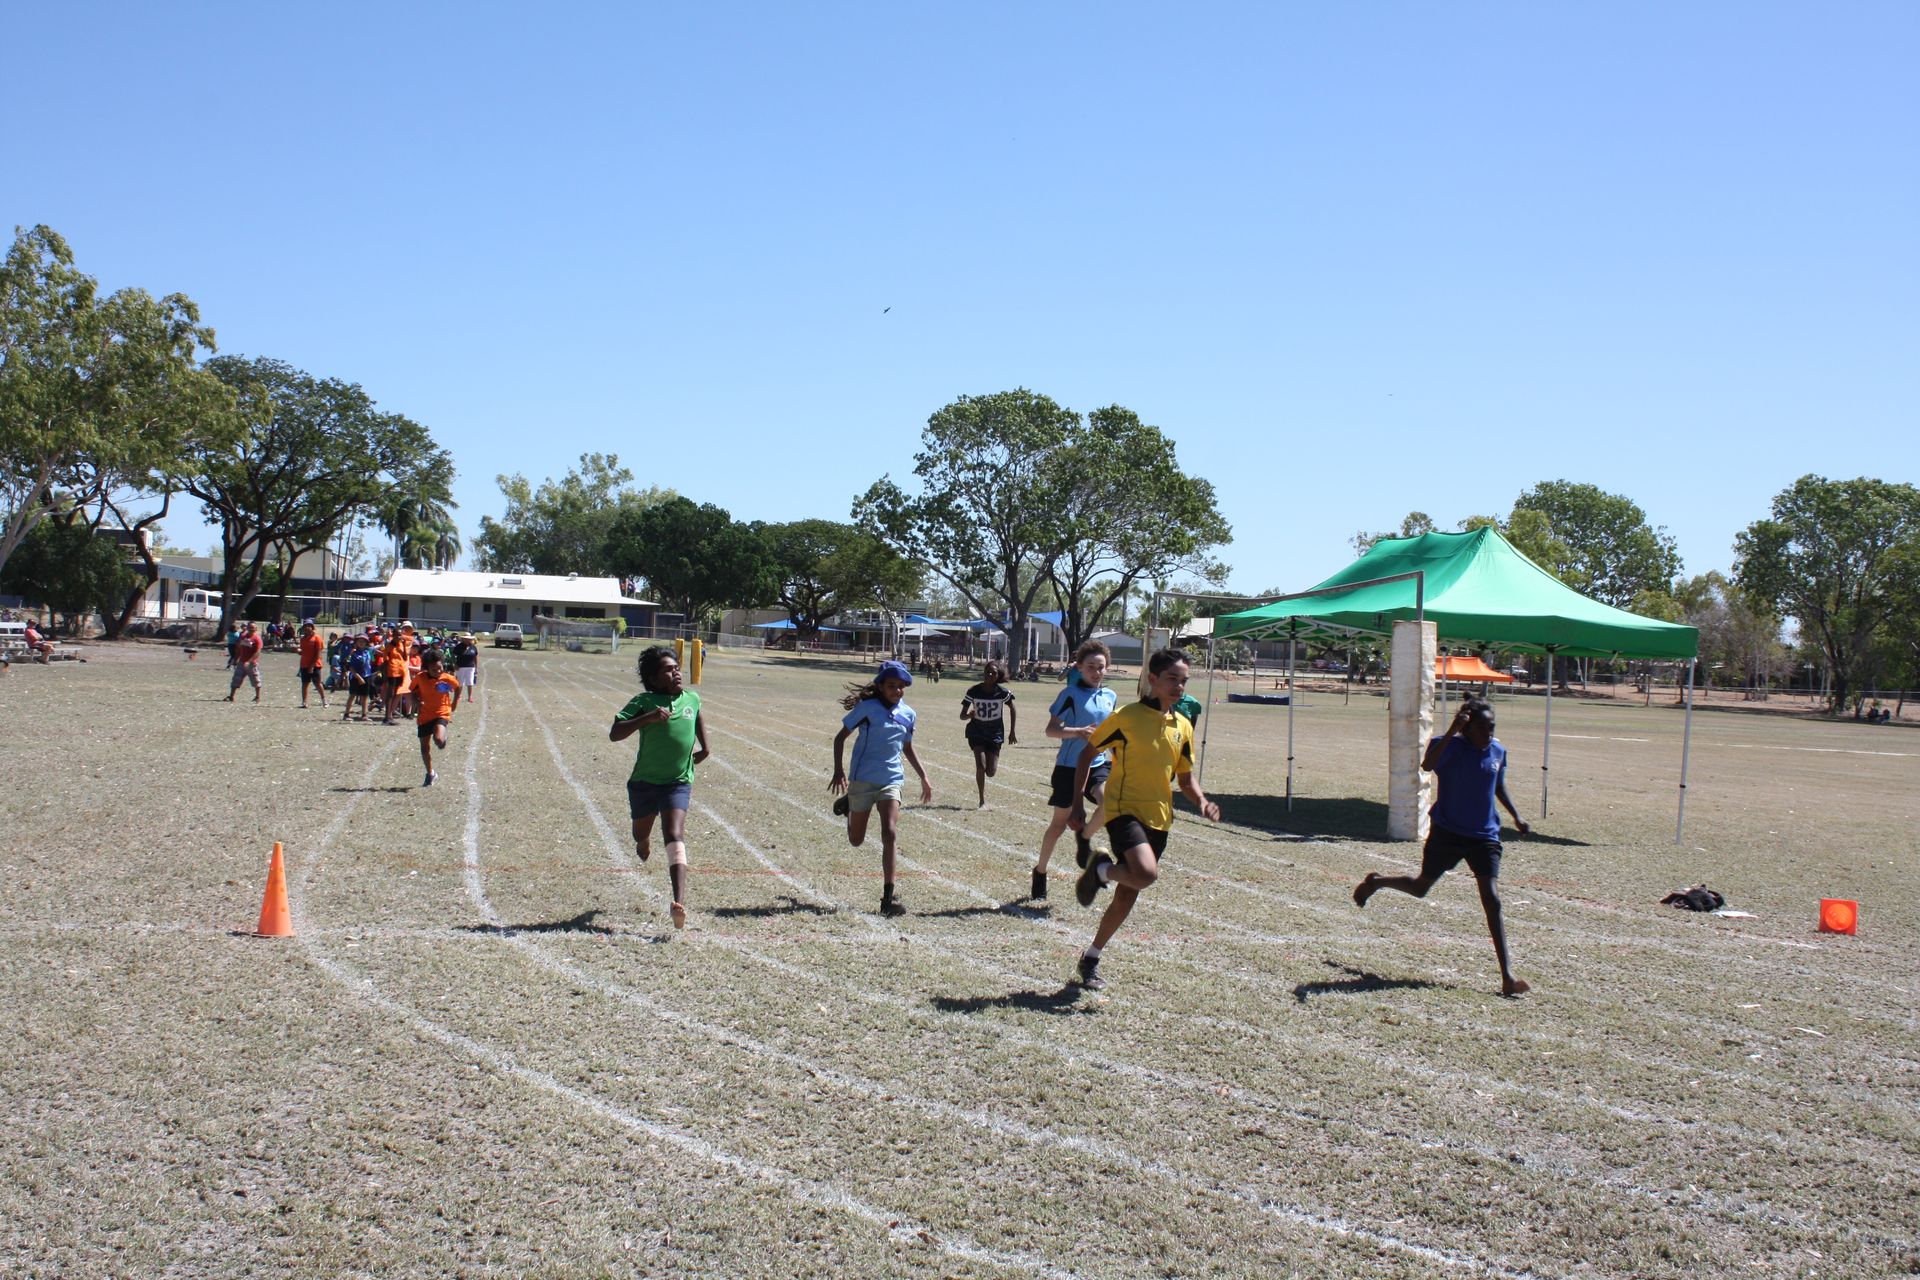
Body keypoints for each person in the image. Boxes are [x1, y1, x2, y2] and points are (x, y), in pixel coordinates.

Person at [1353, 697, 1532, 997]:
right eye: (1481, 728)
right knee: (1421, 887)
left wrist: (1516, 816)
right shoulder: (1448, 746)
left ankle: (1508, 976)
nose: (1487, 733)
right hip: (1448, 832)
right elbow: (1427, 764)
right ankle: (1377, 882)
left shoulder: (1498, 751)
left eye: (1491, 727)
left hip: (1485, 835)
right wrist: (1452, 730)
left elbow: (1498, 786)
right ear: (1466, 727)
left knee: (1492, 899)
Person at [1070, 648, 1222, 991]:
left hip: (1160, 819)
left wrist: (1202, 801)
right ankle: (1098, 870)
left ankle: (1091, 957)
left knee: (1128, 894)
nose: (1179, 687)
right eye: (1172, 679)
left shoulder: (1182, 725)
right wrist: (1077, 802)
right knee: (1146, 874)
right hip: (1125, 810)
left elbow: (1184, 779)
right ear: (1152, 679)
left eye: (1183, 681)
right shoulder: (1126, 716)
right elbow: (1087, 754)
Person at [609, 645, 709, 930]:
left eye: (676, 667)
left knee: (675, 833)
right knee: (640, 831)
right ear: (653, 679)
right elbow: (615, 733)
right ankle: (643, 840)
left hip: (678, 781)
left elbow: (697, 714)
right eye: (668, 669)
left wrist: (706, 747)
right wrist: (647, 718)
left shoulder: (691, 697)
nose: (676, 671)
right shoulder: (644, 700)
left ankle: (678, 901)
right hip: (644, 783)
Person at [829, 659, 933, 917]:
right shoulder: (867, 708)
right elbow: (840, 737)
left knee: (889, 832)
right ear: (880, 685)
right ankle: (849, 808)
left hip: (891, 779)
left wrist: (924, 776)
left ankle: (888, 897)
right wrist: (839, 770)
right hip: (863, 778)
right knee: (856, 840)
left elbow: (907, 747)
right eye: (891, 685)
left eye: (901, 686)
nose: (896, 690)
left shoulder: (908, 714)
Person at [1031, 640, 1117, 902]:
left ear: (1107, 668)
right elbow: (1051, 730)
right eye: (1090, 666)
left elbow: (1112, 734)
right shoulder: (1070, 694)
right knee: (1058, 824)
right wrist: (1078, 732)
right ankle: (1040, 872)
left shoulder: (1110, 696)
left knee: (1110, 803)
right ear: (1079, 667)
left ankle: (1084, 837)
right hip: (1069, 767)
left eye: (1100, 667)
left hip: (1098, 764)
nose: (1096, 671)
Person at [959, 660, 1017, 808]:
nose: (990, 675)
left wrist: (1012, 732)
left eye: (994, 673)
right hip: (976, 732)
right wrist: (970, 715)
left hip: (995, 734)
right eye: (988, 672)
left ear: (998, 676)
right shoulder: (973, 691)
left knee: (990, 772)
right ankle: (981, 801)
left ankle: (984, 794)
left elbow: (1012, 708)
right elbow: (962, 716)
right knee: (980, 766)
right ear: (984, 673)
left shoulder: (1002, 692)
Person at [413, 647, 462, 786]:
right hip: (424, 715)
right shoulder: (420, 678)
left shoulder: (446, 678)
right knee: (424, 748)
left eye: (440, 668)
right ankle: (430, 773)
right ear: (426, 668)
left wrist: (454, 702)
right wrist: (416, 701)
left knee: (438, 738)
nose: (438, 671)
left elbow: (457, 687)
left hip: (442, 711)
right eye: (434, 669)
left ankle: (442, 738)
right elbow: (412, 691)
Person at [224, 622, 263, 702]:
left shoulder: (257, 639)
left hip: (251, 664)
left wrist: (249, 661)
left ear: (255, 629)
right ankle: (231, 696)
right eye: (249, 627)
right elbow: (239, 649)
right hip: (241, 662)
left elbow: (257, 652)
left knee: (256, 680)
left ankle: (257, 697)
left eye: (253, 628)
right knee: (236, 679)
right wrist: (235, 659)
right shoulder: (242, 637)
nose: (251, 629)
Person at [341, 635, 377, 721]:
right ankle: (346, 714)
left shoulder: (368, 652)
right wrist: (359, 677)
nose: (361, 643)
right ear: (356, 643)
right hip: (356, 677)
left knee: (364, 696)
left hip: (367, 676)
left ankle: (364, 714)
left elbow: (373, 660)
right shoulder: (353, 653)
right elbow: (350, 667)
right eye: (359, 641)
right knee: (352, 695)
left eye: (363, 641)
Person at [296, 621, 328, 708]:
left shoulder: (317, 638)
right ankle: (304, 702)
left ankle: (324, 700)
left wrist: (312, 666)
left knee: (317, 683)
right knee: (305, 683)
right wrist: (299, 651)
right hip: (304, 664)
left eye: (309, 626)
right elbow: (303, 652)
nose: (307, 628)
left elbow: (318, 654)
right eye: (305, 626)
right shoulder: (303, 639)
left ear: (312, 627)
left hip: (315, 665)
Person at [452, 631, 480, 703]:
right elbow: (453, 656)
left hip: (470, 667)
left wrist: (476, 667)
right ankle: (458, 696)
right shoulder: (458, 646)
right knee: (460, 683)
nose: (468, 640)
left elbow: (475, 657)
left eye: (469, 639)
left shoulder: (473, 647)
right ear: (463, 639)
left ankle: (470, 697)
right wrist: (455, 664)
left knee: (470, 682)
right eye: (467, 639)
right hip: (460, 666)